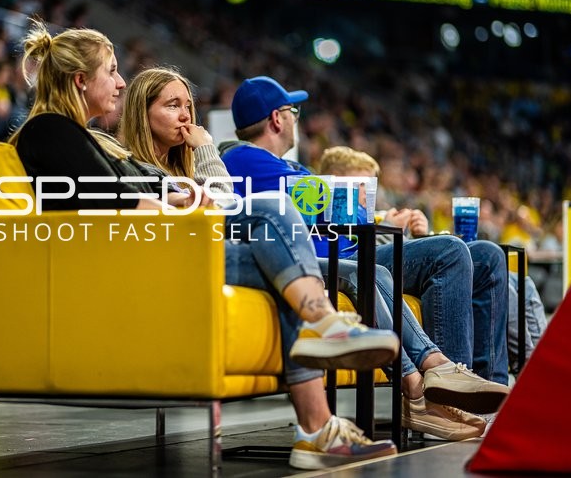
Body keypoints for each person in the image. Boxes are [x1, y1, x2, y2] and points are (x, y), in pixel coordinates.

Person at [9, 24, 401, 470]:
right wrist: (175, 200)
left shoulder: (84, 137)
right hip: (140, 259)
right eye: (112, 71)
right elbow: (111, 201)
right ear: (81, 80)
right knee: (270, 208)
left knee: (283, 268)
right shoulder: (50, 129)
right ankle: (325, 327)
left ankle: (317, 428)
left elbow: (119, 194)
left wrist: (175, 195)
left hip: (160, 250)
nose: (120, 82)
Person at [120, 67, 510, 445]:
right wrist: (204, 152)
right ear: (277, 118)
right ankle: (423, 387)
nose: (186, 116)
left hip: (275, 252)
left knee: (432, 263)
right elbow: (232, 207)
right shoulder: (169, 165)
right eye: (173, 105)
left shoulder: (210, 166)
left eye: (188, 105)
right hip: (201, 260)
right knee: (388, 262)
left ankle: (432, 379)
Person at [319, 145, 546, 372]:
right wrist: (389, 228)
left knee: (489, 255)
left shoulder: (371, 213)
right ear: (335, 179)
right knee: (451, 250)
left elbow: (400, 250)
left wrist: (419, 235)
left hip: (390, 258)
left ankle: (491, 384)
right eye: (361, 184)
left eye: (371, 185)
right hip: (352, 261)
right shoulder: (326, 205)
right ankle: (453, 379)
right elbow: (351, 248)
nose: (368, 192)